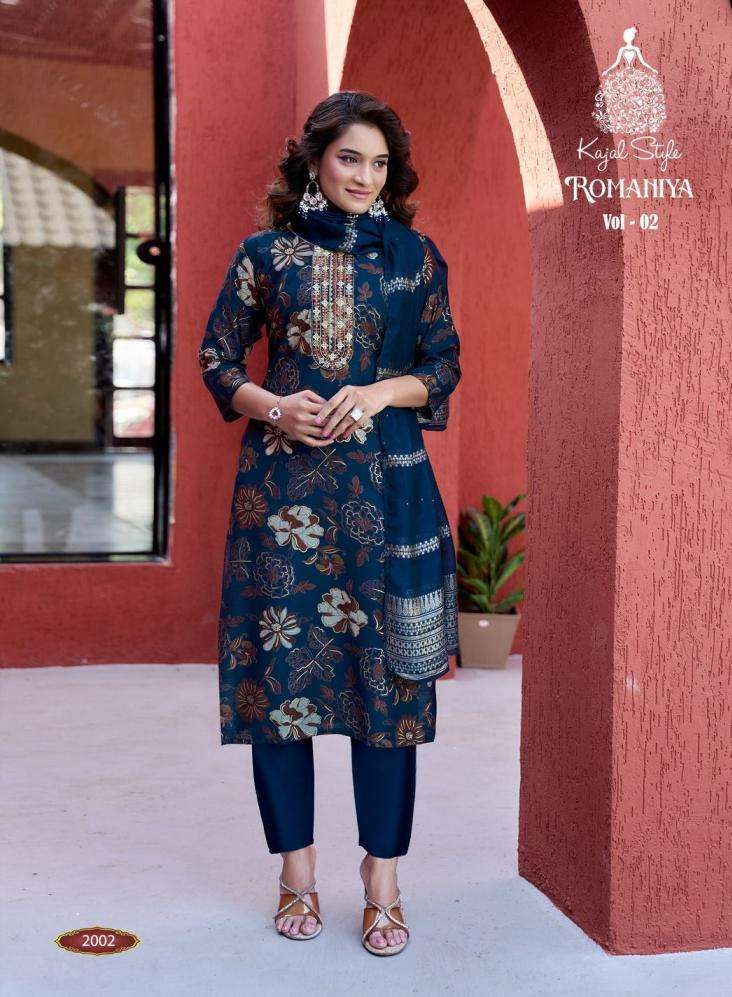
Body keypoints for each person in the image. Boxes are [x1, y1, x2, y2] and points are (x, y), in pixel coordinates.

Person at [198, 90, 461, 956]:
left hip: (385, 502)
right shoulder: (264, 255)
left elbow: (441, 365)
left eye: (379, 163)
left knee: (387, 692)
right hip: (283, 504)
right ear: (314, 162)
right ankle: (296, 873)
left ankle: (381, 879)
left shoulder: (414, 257)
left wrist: (378, 392)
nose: (365, 176)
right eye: (350, 157)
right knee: (281, 690)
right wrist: (274, 405)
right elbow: (216, 358)